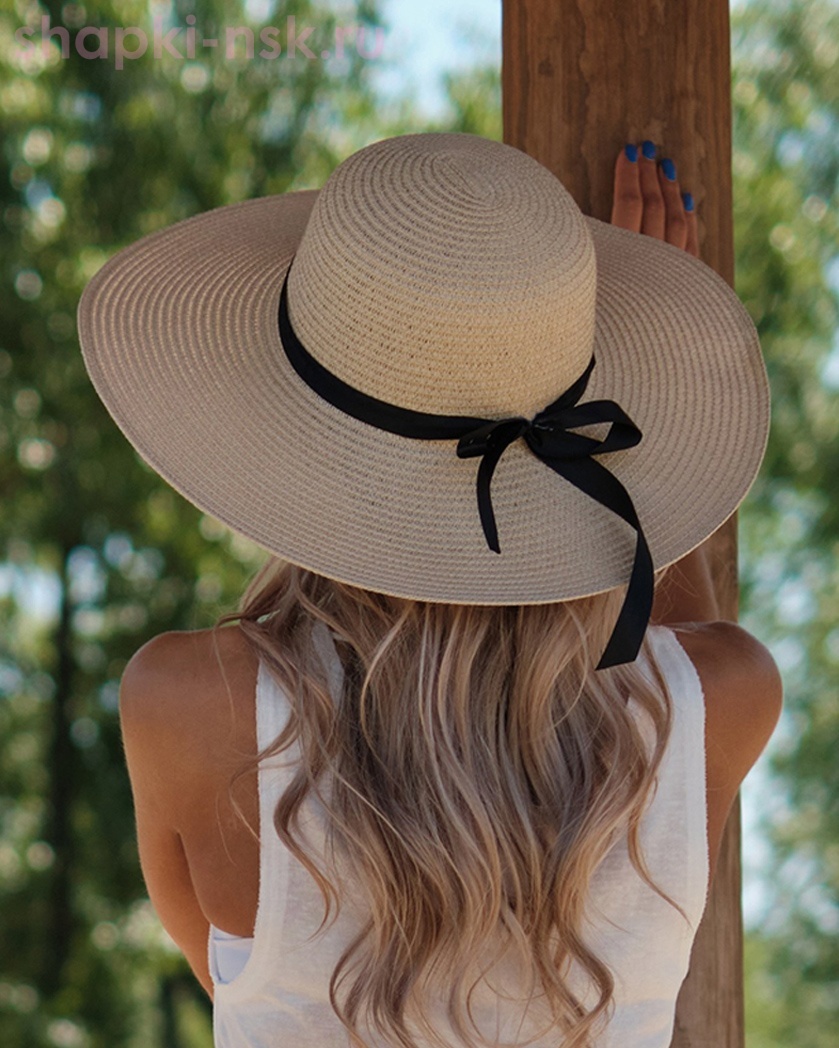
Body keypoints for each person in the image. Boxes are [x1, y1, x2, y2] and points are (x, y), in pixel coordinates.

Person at [77, 133, 782, 1048]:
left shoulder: (188, 707)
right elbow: (663, 640)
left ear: (287, 430)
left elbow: (241, 987)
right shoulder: (726, 696)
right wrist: (641, 399)